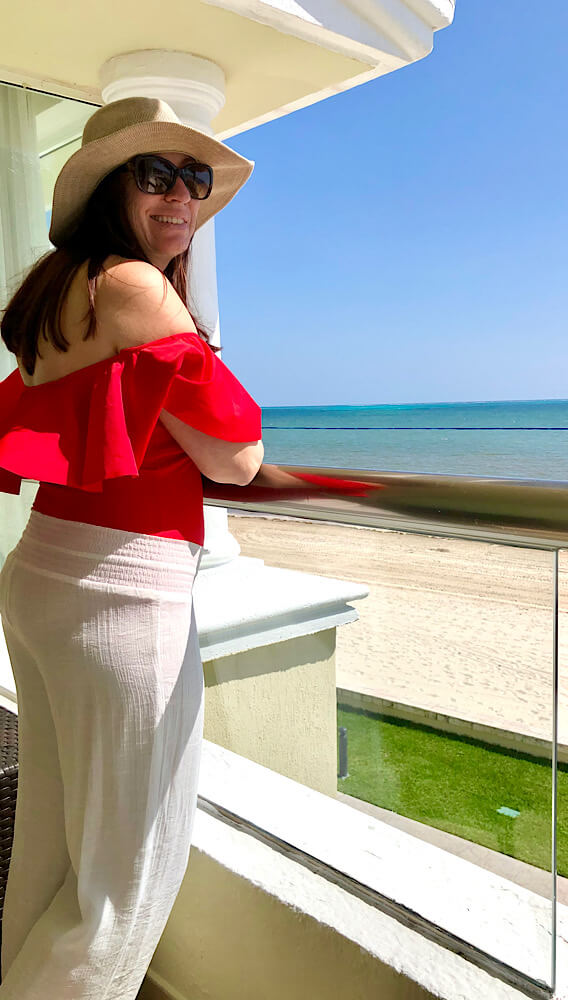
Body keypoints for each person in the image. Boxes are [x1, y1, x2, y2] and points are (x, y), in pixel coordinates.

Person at [0, 96, 263, 998]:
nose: (183, 199)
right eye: (157, 177)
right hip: (122, 589)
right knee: (125, 881)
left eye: (195, 180)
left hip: (45, 574)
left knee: (48, 839)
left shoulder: (53, 289)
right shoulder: (135, 287)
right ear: (111, 191)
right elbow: (236, 456)